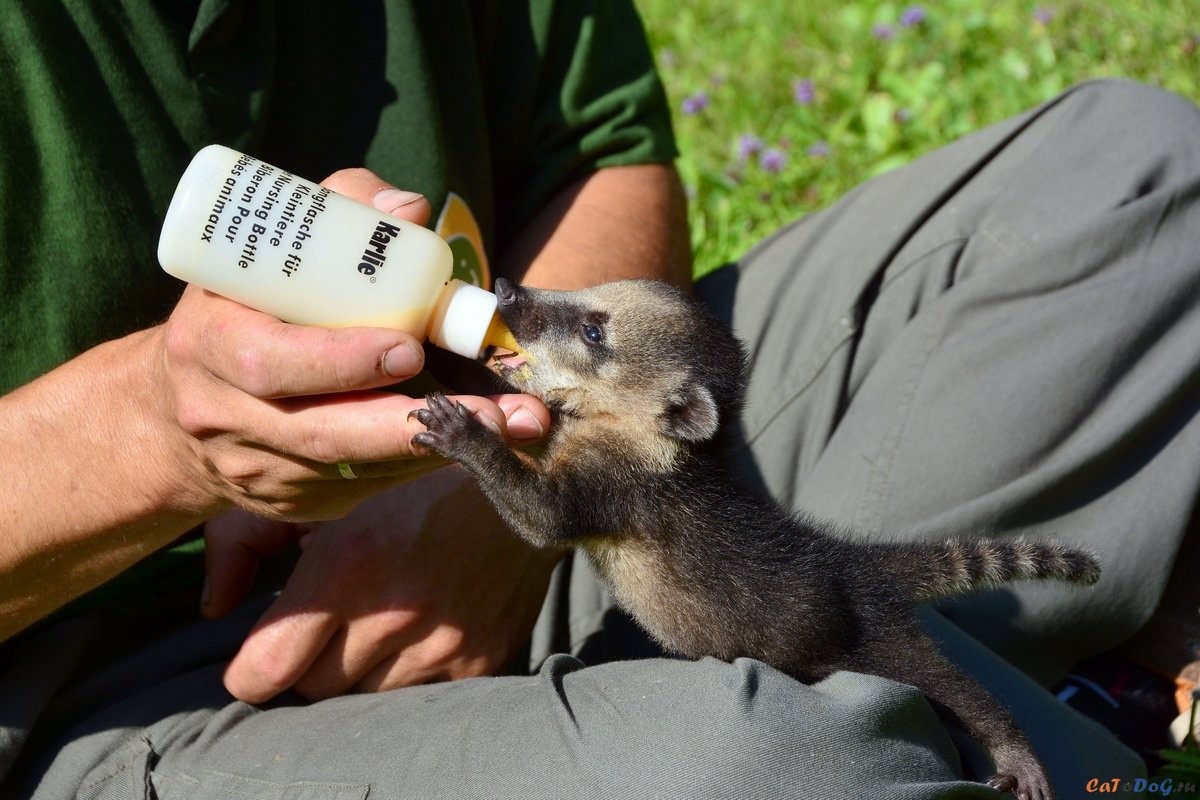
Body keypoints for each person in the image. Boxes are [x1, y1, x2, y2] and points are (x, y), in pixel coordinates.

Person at [0, 4, 1193, 800]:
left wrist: (501, 492)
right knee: (776, 761)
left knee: (1136, 179)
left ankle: (956, 701)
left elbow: (601, 148)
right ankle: (1045, 720)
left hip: (584, 453)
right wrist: (154, 436)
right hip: (103, 680)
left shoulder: (617, 419)